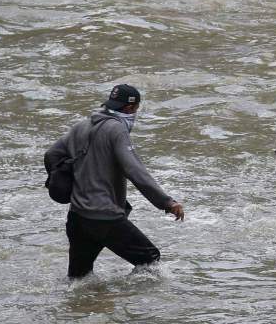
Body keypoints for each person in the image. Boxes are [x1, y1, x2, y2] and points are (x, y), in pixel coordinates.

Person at [44, 84, 184, 279]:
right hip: (104, 218)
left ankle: (83, 308)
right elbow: (135, 170)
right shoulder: (116, 129)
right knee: (150, 262)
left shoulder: (81, 126)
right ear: (129, 109)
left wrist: (72, 182)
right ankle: (130, 303)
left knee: (79, 278)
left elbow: (51, 155)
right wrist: (166, 202)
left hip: (77, 217)